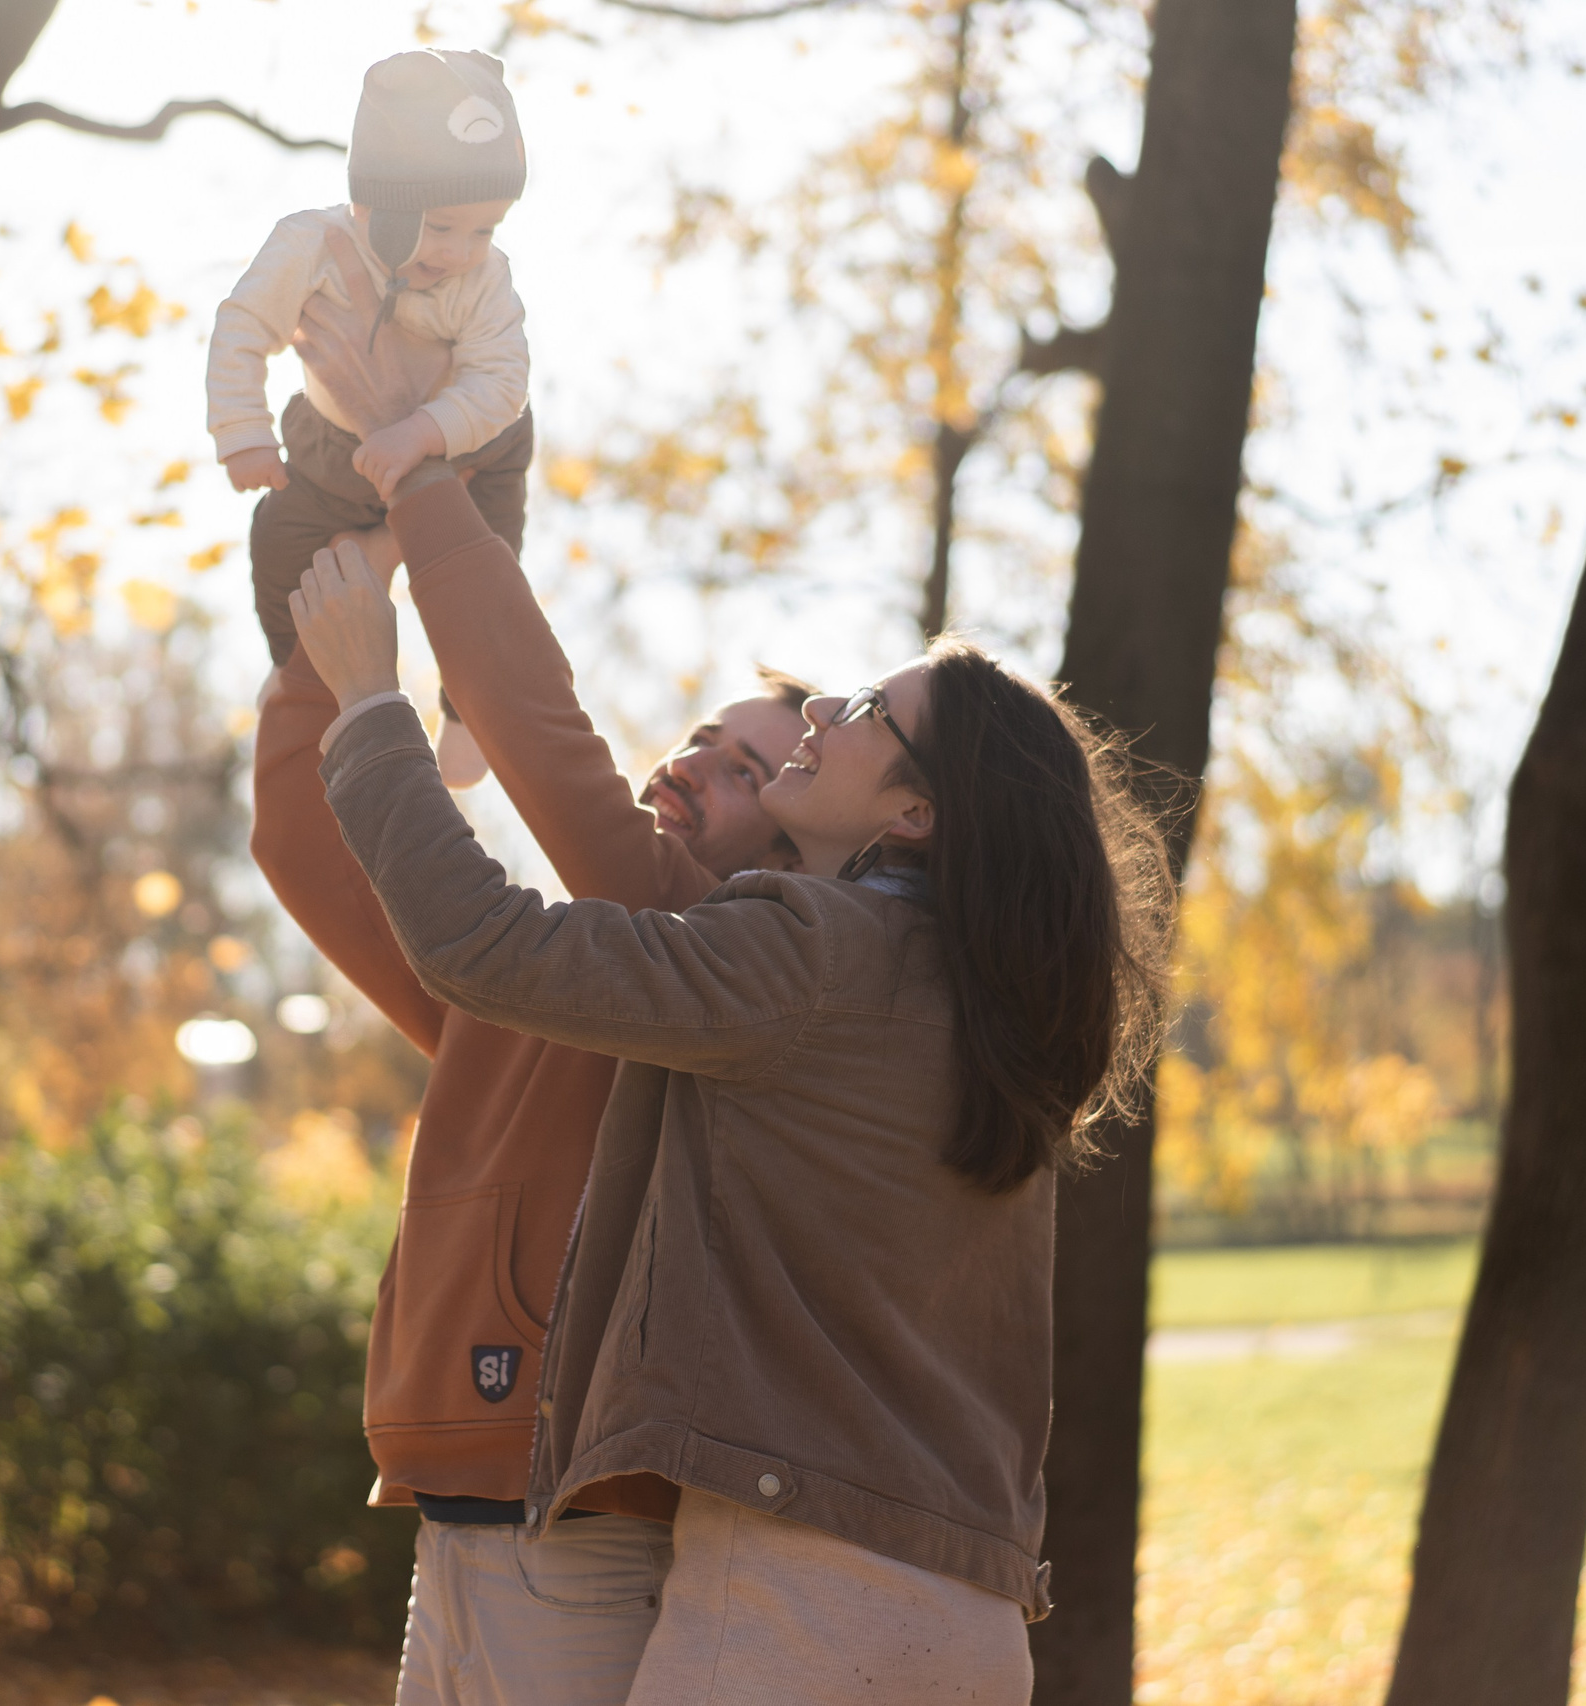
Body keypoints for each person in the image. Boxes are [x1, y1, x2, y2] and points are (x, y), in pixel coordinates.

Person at [290, 541, 1172, 1703]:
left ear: (914, 811)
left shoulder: (811, 954)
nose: (824, 705)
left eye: (866, 709)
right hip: (969, 1605)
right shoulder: (988, 1012)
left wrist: (367, 706)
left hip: (794, 1600)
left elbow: (481, 942)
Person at [248, 252, 816, 1701]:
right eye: (699, 729)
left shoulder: (721, 943)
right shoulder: (541, 969)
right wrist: (326, 627)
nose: (692, 759)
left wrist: (417, 476)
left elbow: (543, 738)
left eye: (747, 765)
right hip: (464, 1512)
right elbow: (303, 846)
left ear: (804, 833)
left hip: (570, 1506)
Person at [209, 46, 531, 787]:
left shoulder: (486, 278)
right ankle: (301, 675)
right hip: (332, 445)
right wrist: (242, 430)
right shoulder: (310, 244)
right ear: (371, 198)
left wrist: (425, 430)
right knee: (281, 539)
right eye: (442, 226)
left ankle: (471, 705)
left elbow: (502, 380)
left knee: (483, 564)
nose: (460, 252)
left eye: (484, 230)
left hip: (468, 440)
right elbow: (243, 327)